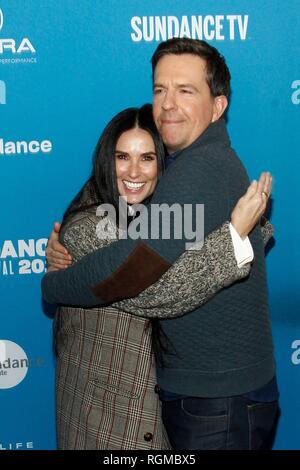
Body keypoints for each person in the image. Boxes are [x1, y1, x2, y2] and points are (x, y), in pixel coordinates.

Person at [42, 38, 278, 450]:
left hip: (208, 405)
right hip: (105, 419)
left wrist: (245, 237)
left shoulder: (193, 171)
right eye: (160, 90)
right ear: (104, 160)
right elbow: (149, 284)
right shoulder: (89, 224)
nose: (168, 103)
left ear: (218, 106)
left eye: (185, 90)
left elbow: (151, 282)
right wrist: (236, 240)